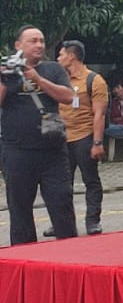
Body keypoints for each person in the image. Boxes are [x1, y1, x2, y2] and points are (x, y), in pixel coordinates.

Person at [0, 25, 76, 244]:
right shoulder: (7, 72)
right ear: (18, 46)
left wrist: (38, 79)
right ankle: (24, 254)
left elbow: (68, 97)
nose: (39, 45)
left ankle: (71, 250)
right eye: (33, 41)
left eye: (41, 40)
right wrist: (4, 78)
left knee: (61, 202)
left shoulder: (53, 69)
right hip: (17, 151)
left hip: (53, 151)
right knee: (19, 208)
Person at [55, 40, 109, 236]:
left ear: (72, 56)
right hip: (61, 138)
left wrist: (97, 142)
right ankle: (62, 221)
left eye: (61, 54)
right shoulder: (60, 80)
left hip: (84, 137)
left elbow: (99, 114)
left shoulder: (94, 80)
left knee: (91, 180)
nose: (58, 59)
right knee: (61, 184)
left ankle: (93, 221)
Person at [106, 81, 123, 149]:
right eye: (114, 89)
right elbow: (112, 118)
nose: (116, 90)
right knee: (102, 126)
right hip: (115, 126)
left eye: (118, 87)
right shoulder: (114, 102)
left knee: (100, 129)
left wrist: (120, 119)